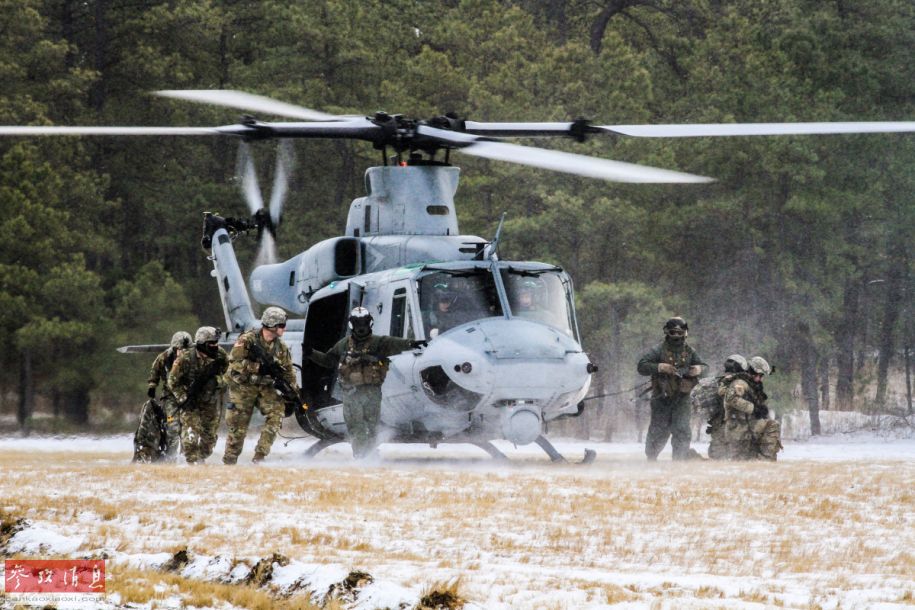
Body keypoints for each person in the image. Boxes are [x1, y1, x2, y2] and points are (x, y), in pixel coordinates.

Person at [306, 307, 426, 458]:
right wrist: (312, 354)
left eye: (364, 322)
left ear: (369, 323)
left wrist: (412, 344)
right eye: (358, 323)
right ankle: (361, 455)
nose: (361, 327)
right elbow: (329, 361)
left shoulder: (378, 342)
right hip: (351, 393)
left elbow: (395, 343)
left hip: (371, 392)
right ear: (352, 325)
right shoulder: (344, 344)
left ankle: (369, 454)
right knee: (356, 426)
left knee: (371, 426)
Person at [223, 307, 300, 464]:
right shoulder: (248, 340)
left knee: (277, 412)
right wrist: (258, 367)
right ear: (271, 325)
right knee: (238, 425)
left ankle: (260, 455)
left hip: (264, 385)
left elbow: (288, 372)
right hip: (242, 385)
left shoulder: (281, 347)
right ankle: (230, 460)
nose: (284, 329)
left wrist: (293, 394)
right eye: (281, 325)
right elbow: (234, 362)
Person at [637, 317, 707, 461]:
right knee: (658, 429)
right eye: (673, 332)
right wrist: (659, 367)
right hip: (661, 397)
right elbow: (642, 366)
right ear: (667, 332)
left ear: (685, 333)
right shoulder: (658, 350)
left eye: (679, 333)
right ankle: (651, 458)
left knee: (682, 429)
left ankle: (679, 461)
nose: (676, 336)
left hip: (682, 398)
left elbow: (705, 367)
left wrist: (698, 369)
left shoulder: (690, 351)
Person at [168, 326, 228, 464]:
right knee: (190, 438)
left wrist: (217, 381)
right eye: (211, 343)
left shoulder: (220, 355)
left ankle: (200, 459)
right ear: (202, 344)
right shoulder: (185, 358)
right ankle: (192, 463)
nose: (215, 346)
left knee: (209, 440)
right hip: (190, 402)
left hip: (209, 401)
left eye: (216, 343)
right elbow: (172, 381)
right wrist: (183, 398)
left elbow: (229, 373)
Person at [135, 330, 192, 463]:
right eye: (179, 349)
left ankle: (188, 457)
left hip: (189, 398)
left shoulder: (193, 359)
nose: (182, 352)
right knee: (172, 427)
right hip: (170, 398)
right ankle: (170, 458)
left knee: (188, 428)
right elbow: (155, 371)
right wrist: (152, 386)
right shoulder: (164, 357)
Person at [719, 355, 783, 461]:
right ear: (753, 372)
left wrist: (760, 410)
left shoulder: (751, 386)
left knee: (747, 458)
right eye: (759, 375)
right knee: (772, 425)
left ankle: (763, 460)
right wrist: (754, 409)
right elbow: (731, 399)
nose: (760, 379)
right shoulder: (740, 383)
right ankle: (765, 460)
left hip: (745, 429)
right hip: (739, 430)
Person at [704, 354, 748, 460]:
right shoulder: (732, 382)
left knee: (720, 451)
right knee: (723, 452)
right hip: (725, 421)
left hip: (722, 421)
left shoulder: (721, 381)